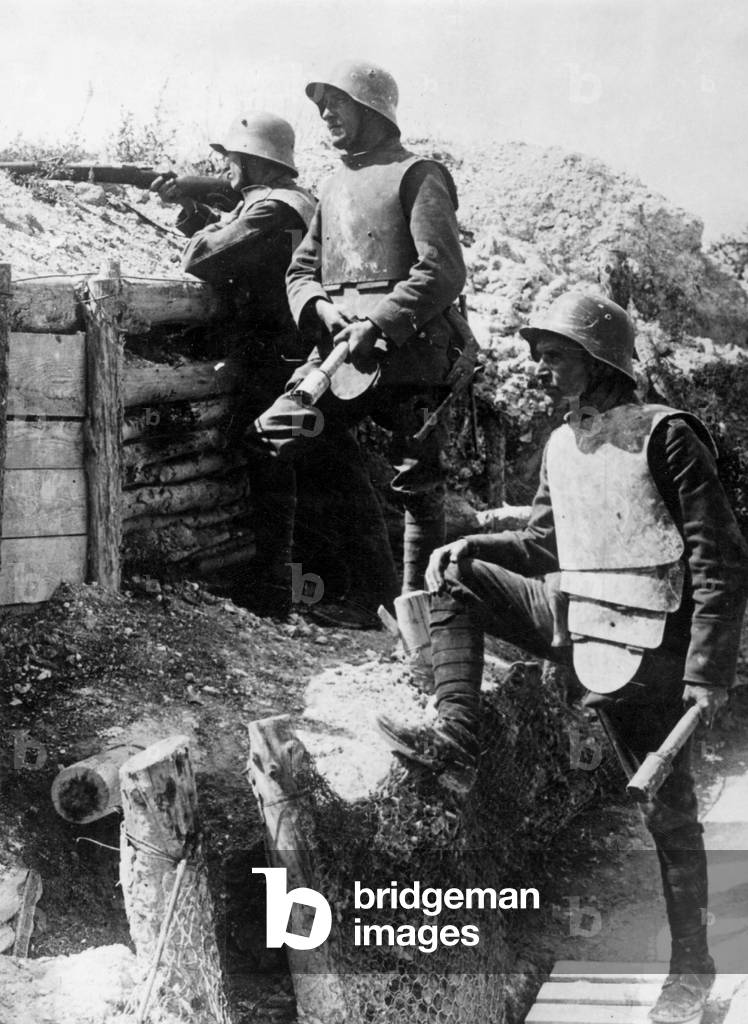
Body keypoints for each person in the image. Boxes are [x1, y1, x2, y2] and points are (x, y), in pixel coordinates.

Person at [377, 291, 748, 1024]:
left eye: (554, 357)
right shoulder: (558, 443)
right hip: (577, 621)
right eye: (540, 357)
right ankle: (458, 735)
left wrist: (706, 671)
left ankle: (692, 970)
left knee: (668, 814)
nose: (541, 371)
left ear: (599, 359)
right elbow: (549, 544)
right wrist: (473, 545)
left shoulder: (668, 435)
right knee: (457, 576)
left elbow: (721, 558)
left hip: (655, 643)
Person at [251, 60, 473, 615]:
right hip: (336, 349)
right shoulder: (332, 186)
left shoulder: (419, 174)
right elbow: (300, 272)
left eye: (337, 104)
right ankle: (329, 592)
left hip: (410, 350)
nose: (325, 114)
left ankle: (421, 614)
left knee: (415, 480)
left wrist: (379, 324)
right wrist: (325, 313)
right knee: (285, 432)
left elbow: (441, 269)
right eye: (322, 105)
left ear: (372, 110)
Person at [153, 112, 322, 614]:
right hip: (293, 350)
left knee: (273, 459)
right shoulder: (294, 203)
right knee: (292, 465)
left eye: (232, 161)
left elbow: (204, 258)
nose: (225, 169)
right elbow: (243, 251)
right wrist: (191, 209)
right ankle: (294, 585)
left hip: (282, 356)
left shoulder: (274, 209)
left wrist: (202, 222)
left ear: (254, 161)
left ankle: (277, 589)